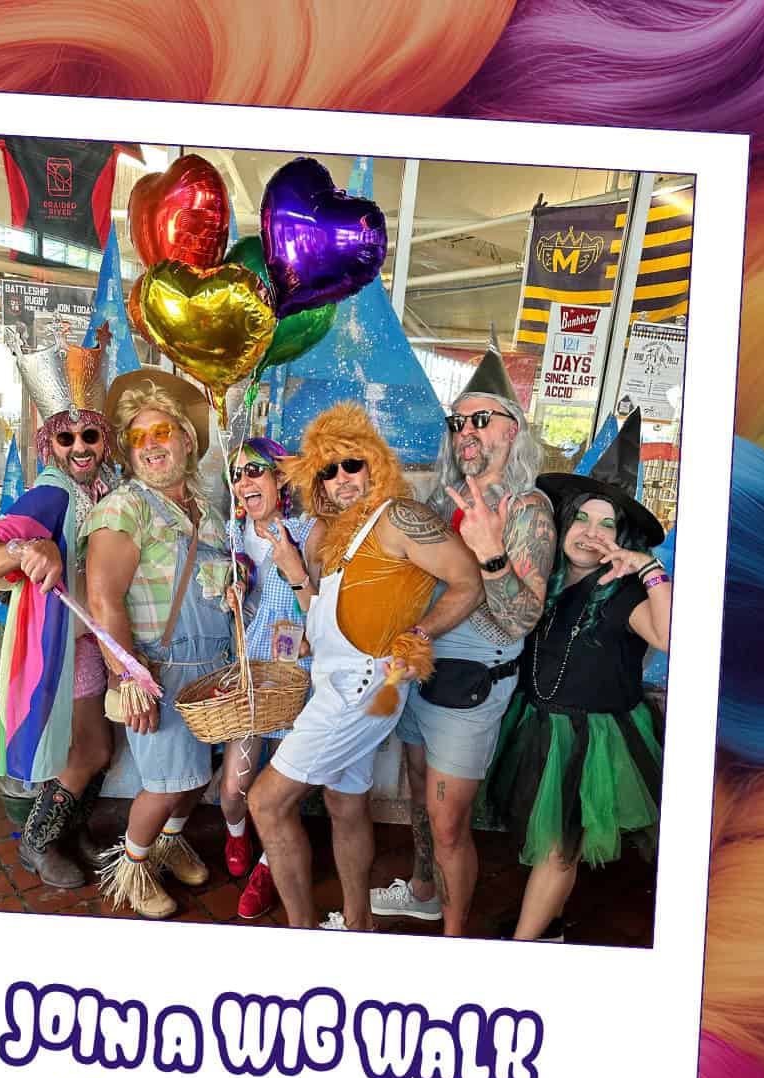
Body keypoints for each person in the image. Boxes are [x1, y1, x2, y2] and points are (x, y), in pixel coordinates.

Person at [247, 402, 484, 932]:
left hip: (362, 688)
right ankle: (359, 925)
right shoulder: (333, 536)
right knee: (343, 801)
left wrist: (420, 635)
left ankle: (303, 937)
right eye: (327, 471)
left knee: (266, 803)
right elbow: (321, 616)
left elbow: (468, 582)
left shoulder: (398, 517)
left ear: (375, 462)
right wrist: (294, 572)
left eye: (351, 463)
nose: (341, 478)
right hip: (337, 683)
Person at [370, 339, 556, 936]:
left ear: (512, 430)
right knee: (419, 796)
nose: (466, 432)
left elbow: (521, 620)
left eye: (481, 419)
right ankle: (425, 891)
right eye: (458, 422)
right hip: (419, 670)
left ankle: (454, 943)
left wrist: (491, 554)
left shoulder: (528, 510)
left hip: (469, 687)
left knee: (448, 823)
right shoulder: (438, 500)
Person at [479, 409, 672, 941]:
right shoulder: (543, 578)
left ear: (622, 537)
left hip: (593, 742)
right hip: (536, 724)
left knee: (559, 849)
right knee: (547, 838)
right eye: (582, 519)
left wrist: (649, 569)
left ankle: (524, 947)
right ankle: (546, 925)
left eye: (607, 524)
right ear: (563, 524)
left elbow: (668, 636)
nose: (591, 533)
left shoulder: (625, 591)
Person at [0, 322, 116, 889]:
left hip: (96, 642)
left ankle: (70, 830)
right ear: (51, 444)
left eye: (89, 436)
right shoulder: (51, 492)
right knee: (89, 750)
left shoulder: (105, 490)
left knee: (98, 747)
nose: (79, 448)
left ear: (105, 440)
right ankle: (38, 843)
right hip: (64, 648)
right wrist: (27, 548)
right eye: (66, 439)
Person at [83, 369, 235, 920]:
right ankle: (132, 866)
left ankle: (169, 842)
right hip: (160, 672)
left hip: (211, 670)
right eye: (138, 437)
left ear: (187, 440)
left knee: (196, 777)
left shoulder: (208, 512)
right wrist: (131, 679)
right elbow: (103, 599)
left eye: (162, 432)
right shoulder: (126, 507)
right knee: (166, 784)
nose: (150, 445)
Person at [220, 436, 325, 921]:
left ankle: (267, 866)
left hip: (292, 681)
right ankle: (236, 833)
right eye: (236, 474)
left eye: (255, 470)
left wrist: (294, 567)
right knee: (233, 791)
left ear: (279, 478)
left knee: (280, 795)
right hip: (248, 679)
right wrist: (230, 595)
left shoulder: (307, 532)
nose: (244, 481)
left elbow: (323, 610)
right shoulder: (230, 533)